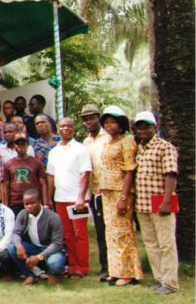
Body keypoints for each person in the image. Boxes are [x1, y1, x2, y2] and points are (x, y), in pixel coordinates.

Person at [132, 111, 180, 295]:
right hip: (143, 203)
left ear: (156, 127)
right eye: (140, 127)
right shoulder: (140, 148)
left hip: (161, 201)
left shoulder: (164, 147)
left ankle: (170, 283)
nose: (143, 130)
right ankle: (160, 279)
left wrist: (167, 201)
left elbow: (171, 174)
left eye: (147, 126)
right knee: (151, 243)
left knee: (166, 244)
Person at [97, 106, 142, 286]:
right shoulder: (108, 143)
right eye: (106, 123)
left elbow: (130, 170)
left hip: (120, 193)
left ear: (120, 124)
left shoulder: (127, 142)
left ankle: (129, 273)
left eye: (112, 122)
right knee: (111, 233)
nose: (109, 126)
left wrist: (123, 197)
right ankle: (115, 270)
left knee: (123, 232)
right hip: (107, 192)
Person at [46, 118, 91, 279]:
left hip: (77, 199)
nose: (66, 128)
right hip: (60, 198)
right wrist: (49, 198)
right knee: (67, 234)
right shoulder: (54, 152)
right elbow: (50, 176)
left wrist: (80, 197)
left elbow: (85, 173)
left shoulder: (80, 149)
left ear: (74, 129)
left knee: (80, 233)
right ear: (57, 129)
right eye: (62, 126)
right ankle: (72, 265)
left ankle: (82, 267)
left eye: (69, 126)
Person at [8, 189, 66, 285]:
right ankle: (30, 275)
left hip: (51, 249)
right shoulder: (23, 214)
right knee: (12, 247)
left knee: (55, 263)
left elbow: (57, 243)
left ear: (39, 202)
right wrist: (19, 246)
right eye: (26, 204)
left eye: (32, 203)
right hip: (34, 247)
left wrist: (39, 257)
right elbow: (15, 233)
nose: (29, 206)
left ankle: (54, 273)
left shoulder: (53, 217)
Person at [80, 104, 110, 279]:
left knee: (113, 230)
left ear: (99, 118)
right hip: (94, 192)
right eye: (85, 119)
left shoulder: (108, 137)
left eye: (91, 117)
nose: (88, 121)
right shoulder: (86, 142)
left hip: (109, 191)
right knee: (100, 231)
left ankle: (117, 266)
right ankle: (105, 265)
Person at [1, 132, 47, 215]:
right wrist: (5, 205)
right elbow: (5, 186)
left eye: (23, 144)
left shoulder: (36, 163)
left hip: (33, 201)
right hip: (15, 202)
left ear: (27, 145)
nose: (20, 146)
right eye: (18, 144)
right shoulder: (9, 164)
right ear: (14, 146)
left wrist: (46, 203)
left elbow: (43, 184)